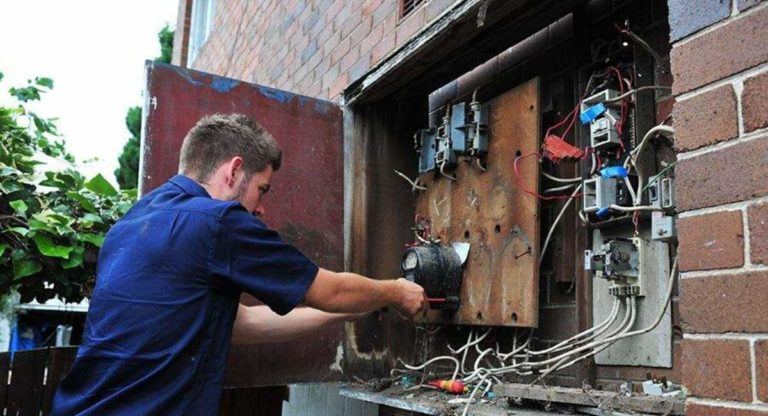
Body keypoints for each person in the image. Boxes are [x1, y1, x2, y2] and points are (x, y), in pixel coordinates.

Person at [52, 114, 428, 415]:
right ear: (233, 170)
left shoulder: (129, 225)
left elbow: (243, 324)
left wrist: (357, 309)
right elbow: (328, 289)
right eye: (262, 189)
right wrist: (396, 289)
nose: (261, 208)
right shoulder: (217, 222)